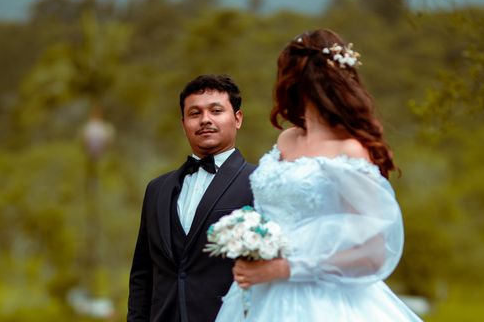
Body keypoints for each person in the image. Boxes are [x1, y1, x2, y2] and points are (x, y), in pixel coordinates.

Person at [215, 29, 422, 322]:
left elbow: (374, 252)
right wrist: (249, 246)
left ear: (296, 80)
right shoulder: (286, 140)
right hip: (261, 294)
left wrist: (286, 269)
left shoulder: (347, 149)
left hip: (323, 301)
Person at [128, 74, 256, 322]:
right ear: (184, 122)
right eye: (194, 113)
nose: (205, 120)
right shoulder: (157, 189)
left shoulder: (259, 181)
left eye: (216, 110)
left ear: (237, 118)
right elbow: (143, 273)